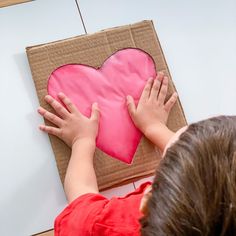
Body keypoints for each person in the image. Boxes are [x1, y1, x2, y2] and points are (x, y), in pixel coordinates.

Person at [38, 72, 236, 235]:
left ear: (147, 201)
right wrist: (154, 126)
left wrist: (81, 140)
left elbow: (81, 195)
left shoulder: (110, 225)